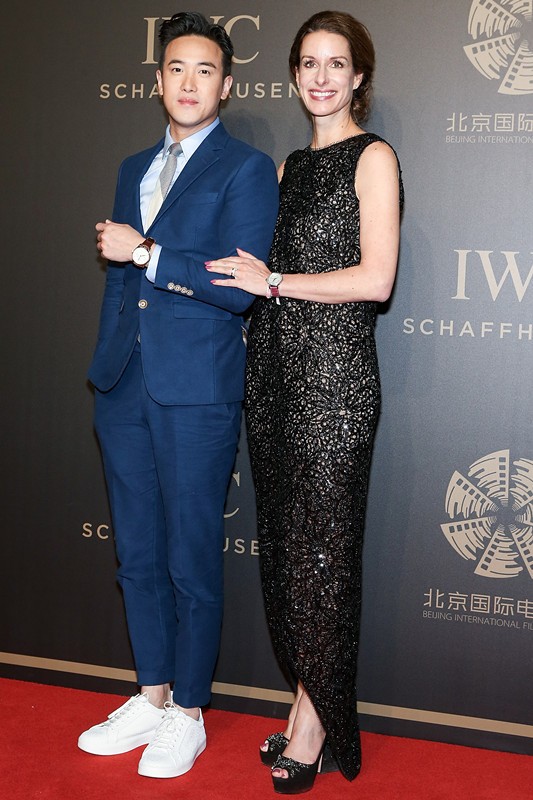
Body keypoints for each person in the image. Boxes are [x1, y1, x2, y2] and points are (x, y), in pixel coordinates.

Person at [206, 9, 403, 794]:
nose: (321, 77)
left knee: (325, 556)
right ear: (293, 75)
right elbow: (257, 277)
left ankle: (316, 728)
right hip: (276, 383)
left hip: (336, 386)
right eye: (308, 63)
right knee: (292, 558)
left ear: (358, 77)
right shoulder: (287, 167)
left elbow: (375, 279)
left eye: (335, 63)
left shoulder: (373, 157)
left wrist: (276, 281)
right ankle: (302, 710)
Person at [79, 11, 278, 780]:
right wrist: (108, 356)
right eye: (175, 68)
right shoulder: (133, 165)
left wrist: (149, 252)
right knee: (136, 554)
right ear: (158, 79)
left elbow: (238, 289)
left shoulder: (245, 168)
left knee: (191, 555)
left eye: (204, 70)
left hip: (195, 390)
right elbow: (118, 280)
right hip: (123, 383)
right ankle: (152, 693)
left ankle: (188, 712)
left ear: (225, 86)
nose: (188, 82)